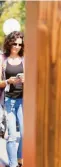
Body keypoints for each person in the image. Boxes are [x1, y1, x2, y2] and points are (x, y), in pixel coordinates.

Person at [0, 31, 24, 167]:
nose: (17, 46)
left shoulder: (24, 59)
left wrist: (25, 79)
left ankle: (20, 158)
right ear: (9, 43)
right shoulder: (3, 60)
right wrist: (8, 81)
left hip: (23, 100)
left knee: (25, 133)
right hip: (9, 100)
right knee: (12, 134)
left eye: (20, 44)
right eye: (14, 43)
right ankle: (13, 164)